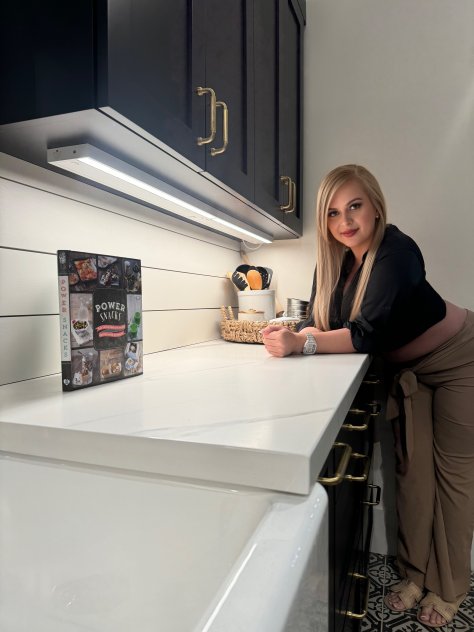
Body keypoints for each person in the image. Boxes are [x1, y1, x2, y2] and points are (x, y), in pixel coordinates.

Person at [261, 164, 473, 628]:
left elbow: (363, 334)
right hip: (409, 371)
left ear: (376, 206)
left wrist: (302, 344)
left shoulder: (398, 252)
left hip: (460, 358)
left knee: (454, 477)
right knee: (412, 475)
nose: (345, 221)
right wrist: (293, 333)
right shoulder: (338, 263)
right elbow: (324, 321)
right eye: (333, 213)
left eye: (354, 206)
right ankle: (414, 575)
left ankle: (450, 587)